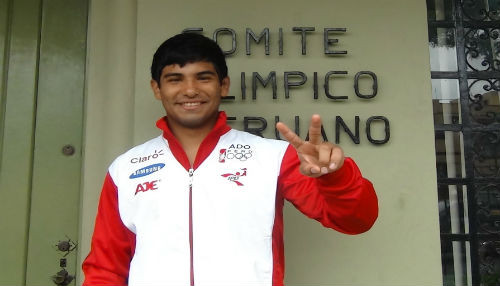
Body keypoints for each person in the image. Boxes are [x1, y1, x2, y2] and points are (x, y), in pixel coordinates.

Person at [82, 33, 378, 286]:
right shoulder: (127, 168)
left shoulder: (272, 157)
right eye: (175, 79)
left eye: (203, 77)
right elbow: (105, 267)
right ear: (157, 88)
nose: (190, 90)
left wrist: (334, 176)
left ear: (223, 85)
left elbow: (355, 221)